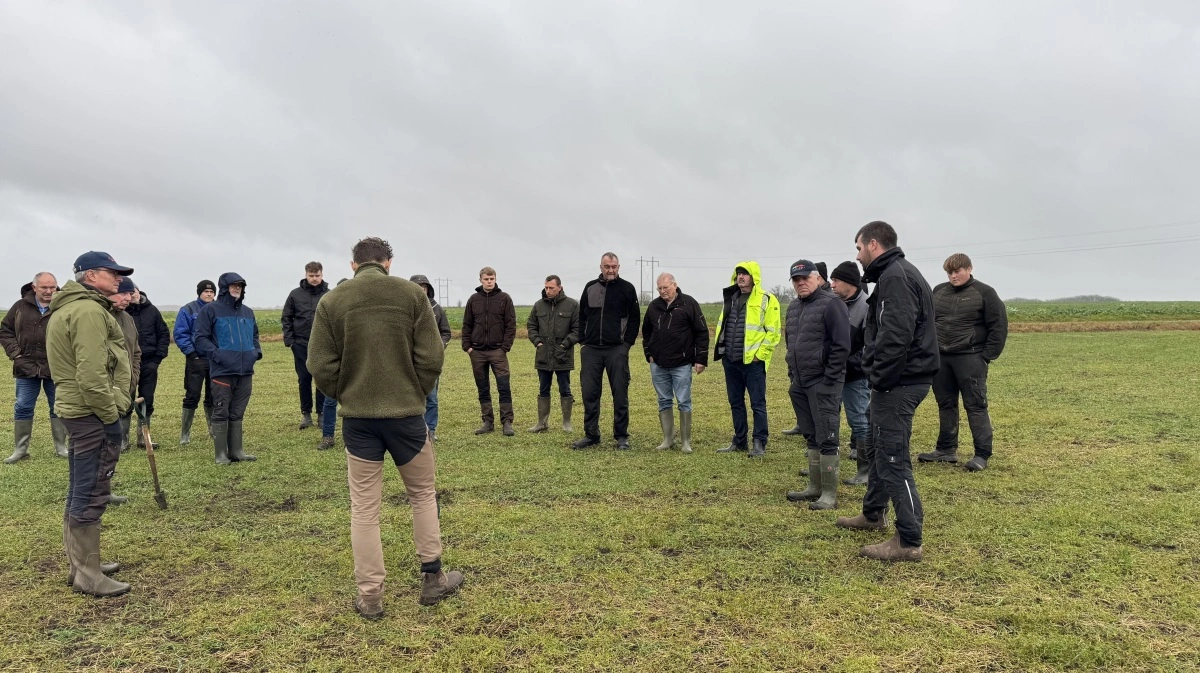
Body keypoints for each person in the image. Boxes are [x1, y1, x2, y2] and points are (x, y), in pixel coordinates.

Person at [307, 236, 463, 618]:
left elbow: (319, 364)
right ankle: (433, 579)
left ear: (353, 265)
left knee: (363, 508)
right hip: (407, 418)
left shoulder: (332, 301)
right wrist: (415, 391)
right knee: (423, 495)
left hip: (358, 421)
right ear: (388, 262)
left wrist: (347, 392)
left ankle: (371, 595)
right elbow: (432, 355)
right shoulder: (412, 295)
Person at [836, 221, 939, 563]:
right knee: (879, 446)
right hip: (897, 380)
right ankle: (873, 513)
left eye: (858, 247)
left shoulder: (896, 277)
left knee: (893, 456)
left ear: (874, 245)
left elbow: (896, 335)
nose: (857, 254)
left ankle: (909, 540)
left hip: (899, 382)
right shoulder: (895, 274)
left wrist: (879, 378)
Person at [46, 251, 134, 597]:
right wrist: (111, 416)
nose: (118, 279)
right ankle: (88, 574)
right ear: (91, 276)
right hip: (91, 412)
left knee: (80, 485)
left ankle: (81, 563)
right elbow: (92, 372)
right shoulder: (87, 311)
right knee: (93, 488)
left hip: (78, 409)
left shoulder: (72, 307)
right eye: (112, 273)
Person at [920, 253, 1008, 472]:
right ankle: (946, 449)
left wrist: (986, 355)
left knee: (976, 405)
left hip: (971, 357)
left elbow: (998, 326)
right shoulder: (938, 291)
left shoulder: (985, 293)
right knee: (945, 403)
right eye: (949, 272)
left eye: (957, 271)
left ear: (969, 268)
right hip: (942, 358)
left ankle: (982, 454)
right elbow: (928, 321)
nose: (953, 276)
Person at [782, 260, 850, 510]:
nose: (800, 283)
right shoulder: (793, 308)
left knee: (827, 436)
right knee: (811, 435)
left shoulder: (832, 304)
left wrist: (830, 378)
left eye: (805, 278)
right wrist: (792, 374)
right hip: (800, 382)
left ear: (817, 278)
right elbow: (791, 343)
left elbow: (842, 345)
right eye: (795, 280)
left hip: (823, 382)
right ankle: (814, 487)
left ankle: (830, 494)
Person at [572, 253, 640, 450]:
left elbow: (634, 319)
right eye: (607, 266)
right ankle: (591, 434)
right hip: (591, 350)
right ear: (600, 267)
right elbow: (582, 315)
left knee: (620, 393)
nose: (611, 270)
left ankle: (621, 436)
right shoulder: (590, 287)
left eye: (614, 266)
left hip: (616, 349)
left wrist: (626, 345)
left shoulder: (627, 289)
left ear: (619, 267)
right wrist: (583, 341)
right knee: (590, 393)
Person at [713, 261, 781, 458]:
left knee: (757, 403)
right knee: (735, 402)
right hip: (731, 360)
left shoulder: (767, 299)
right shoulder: (731, 298)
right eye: (738, 274)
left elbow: (773, 332)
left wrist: (759, 356)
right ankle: (739, 440)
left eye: (745, 274)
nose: (741, 277)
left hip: (753, 363)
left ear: (754, 277)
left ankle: (759, 442)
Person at [193, 273, 261, 466]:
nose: (237, 288)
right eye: (233, 285)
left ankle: (237, 451)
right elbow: (200, 338)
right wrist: (217, 355)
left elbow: (255, 335)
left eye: (240, 286)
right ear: (223, 287)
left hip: (245, 370)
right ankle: (221, 454)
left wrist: (256, 352)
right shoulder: (211, 310)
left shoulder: (248, 312)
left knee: (238, 412)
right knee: (221, 411)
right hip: (222, 371)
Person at [2, 272, 68, 462]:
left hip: (55, 367)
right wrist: (16, 355)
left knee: (58, 407)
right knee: (23, 406)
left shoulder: (62, 307)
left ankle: (61, 448)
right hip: (26, 367)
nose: (49, 291)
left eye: (52, 287)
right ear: (34, 287)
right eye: (44, 287)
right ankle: (20, 450)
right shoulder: (20, 306)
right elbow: (5, 331)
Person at [640, 272, 708, 454]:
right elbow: (646, 332)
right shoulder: (653, 307)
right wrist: (649, 354)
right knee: (663, 401)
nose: (662, 291)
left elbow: (701, 332)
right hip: (658, 364)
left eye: (665, 287)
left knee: (684, 401)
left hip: (682, 364)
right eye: (659, 288)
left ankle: (686, 442)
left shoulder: (688, 304)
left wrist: (700, 359)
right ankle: (667, 439)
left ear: (674, 285)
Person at [829, 261, 871, 485]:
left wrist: (846, 363)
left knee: (859, 420)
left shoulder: (867, 307)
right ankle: (827, 466)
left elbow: (869, 346)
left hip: (855, 375)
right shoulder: (833, 303)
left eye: (836, 280)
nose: (832, 284)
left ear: (851, 283)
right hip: (831, 373)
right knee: (828, 419)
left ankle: (865, 471)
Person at [461, 267, 517, 436]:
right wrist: (467, 347)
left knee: (503, 386)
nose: (489, 281)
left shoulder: (504, 298)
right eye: (486, 279)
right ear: (480, 280)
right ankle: (487, 421)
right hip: (477, 351)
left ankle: (507, 421)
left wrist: (505, 347)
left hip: (497, 351)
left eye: (492, 279)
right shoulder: (473, 299)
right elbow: (467, 325)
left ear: (495, 279)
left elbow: (511, 324)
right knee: (483, 387)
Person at [526, 275, 580, 434]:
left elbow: (577, 329)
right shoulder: (538, 306)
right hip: (543, 355)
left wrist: (565, 344)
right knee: (543, 389)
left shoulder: (572, 305)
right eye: (546, 287)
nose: (548, 290)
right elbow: (531, 326)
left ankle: (566, 422)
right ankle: (542, 423)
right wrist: (538, 342)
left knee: (565, 388)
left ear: (559, 287)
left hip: (563, 355)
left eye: (551, 288)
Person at [282, 262, 330, 430]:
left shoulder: (329, 295)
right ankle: (306, 414)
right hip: (301, 343)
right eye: (311, 276)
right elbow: (286, 317)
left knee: (321, 379)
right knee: (304, 379)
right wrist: (290, 340)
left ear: (322, 275)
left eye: (317, 275)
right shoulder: (295, 295)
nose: (314, 279)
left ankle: (322, 414)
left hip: (323, 344)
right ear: (306, 275)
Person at [126, 284, 170, 449]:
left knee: (147, 399)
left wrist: (158, 357)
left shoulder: (152, 311)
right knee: (125, 400)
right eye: (129, 292)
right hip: (127, 364)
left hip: (149, 362)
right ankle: (123, 440)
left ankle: (143, 438)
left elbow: (163, 333)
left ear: (139, 292)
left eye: (134, 291)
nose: (133, 295)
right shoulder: (120, 312)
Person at [409, 274, 452, 443]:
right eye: (418, 286)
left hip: (431, 360)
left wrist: (440, 346)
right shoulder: (404, 308)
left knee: (431, 397)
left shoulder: (436, 309)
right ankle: (414, 430)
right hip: (410, 360)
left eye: (424, 287)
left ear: (428, 289)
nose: (421, 290)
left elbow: (446, 331)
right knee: (412, 397)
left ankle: (431, 430)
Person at [174, 279, 217, 445]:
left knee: (213, 395)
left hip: (215, 359)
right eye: (206, 291)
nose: (209, 294)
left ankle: (213, 430)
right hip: (196, 359)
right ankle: (185, 434)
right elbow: (180, 333)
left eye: (212, 292)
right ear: (199, 292)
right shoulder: (188, 309)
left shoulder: (218, 309)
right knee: (192, 395)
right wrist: (191, 353)